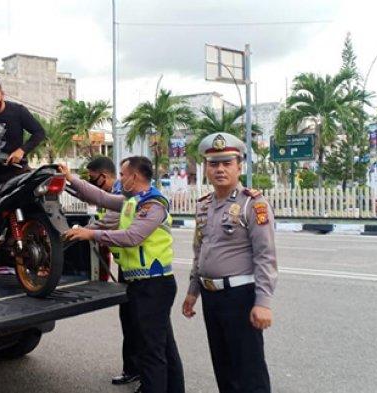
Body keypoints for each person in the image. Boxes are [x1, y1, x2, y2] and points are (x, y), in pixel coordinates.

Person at [61, 156, 184, 393]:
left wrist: (91, 234)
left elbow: (132, 237)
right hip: (142, 283)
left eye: (124, 174)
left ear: (135, 177)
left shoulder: (153, 204)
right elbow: (101, 197)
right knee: (163, 346)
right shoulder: (132, 200)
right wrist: (70, 178)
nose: (121, 179)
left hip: (153, 285)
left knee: (151, 352)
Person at [181, 132, 277, 393]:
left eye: (227, 163)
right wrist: (193, 291)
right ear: (205, 168)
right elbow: (199, 251)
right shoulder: (204, 205)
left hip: (241, 297)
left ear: (239, 166)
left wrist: (263, 303)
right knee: (224, 370)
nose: (220, 169)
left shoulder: (253, 204)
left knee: (249, 372)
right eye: (213, 164)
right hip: (212, 297)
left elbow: (266, 256)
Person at [84, 156, 139, 386]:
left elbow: (107, 223)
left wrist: (81, 231)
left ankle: (138, 371)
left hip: (140, 272)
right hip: (127, 267)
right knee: (129, 320)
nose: (95, 185)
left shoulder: (124, 196)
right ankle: (133, 369)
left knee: (136, 323)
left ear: (103, 177)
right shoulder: (115, 195)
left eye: (93, 180)